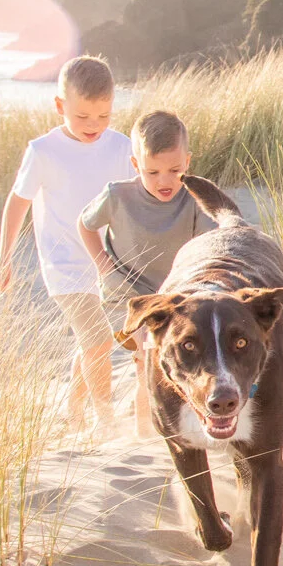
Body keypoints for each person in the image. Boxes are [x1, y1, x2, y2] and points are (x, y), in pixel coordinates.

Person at [0, 55, 133, 433]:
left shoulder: (121, 147)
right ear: (60, 106)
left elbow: (137, 198)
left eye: (103, 115)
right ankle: (105, 420)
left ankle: (74, 409)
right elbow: (18, 202)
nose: (94, 125)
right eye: (83, 116)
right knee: (99, 341)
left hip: (108, 264)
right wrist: (4, 258)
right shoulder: (43, 151)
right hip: (64, 267)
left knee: (91, 342)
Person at [77, 109, 216, 436]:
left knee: (183, 360)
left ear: (187, 162)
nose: (164, 181)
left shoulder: (194, 200)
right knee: (147, 358)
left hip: (175, 294)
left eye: (175, 170)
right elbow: (85, 225)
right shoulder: (117, 195)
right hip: (126, 292)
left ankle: (169, 422)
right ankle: (146, 434)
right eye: (152, 172)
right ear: (135, 164)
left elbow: (210, 242)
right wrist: (104, 266)